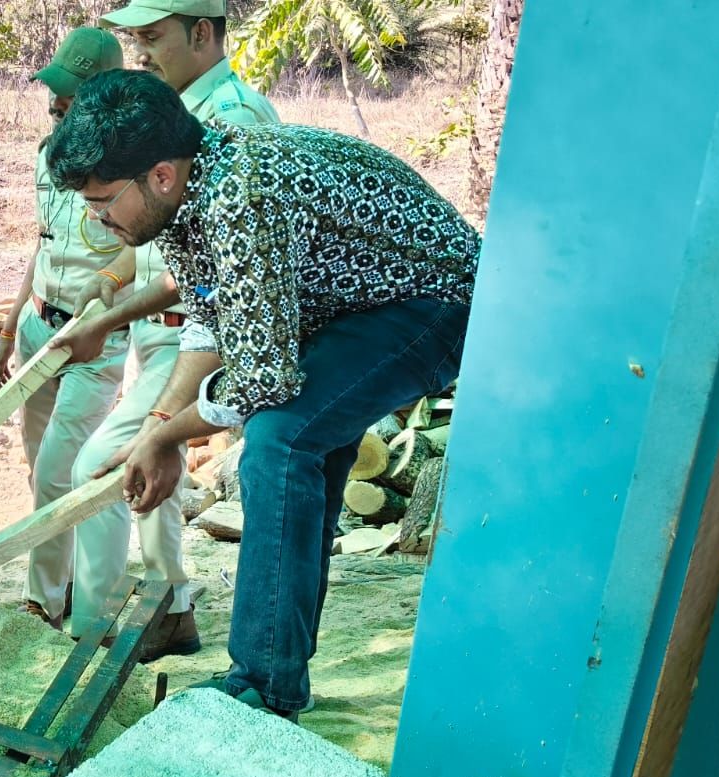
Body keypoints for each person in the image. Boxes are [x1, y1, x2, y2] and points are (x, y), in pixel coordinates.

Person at [45, 70, 479, 719]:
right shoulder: (187, 189)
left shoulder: (241, 193)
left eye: (103, 200)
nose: (97, 218)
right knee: (305, 445)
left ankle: (263, 686)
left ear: (158, 175)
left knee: (279, 440)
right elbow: (209, 320)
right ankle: (280, 669)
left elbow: (261, 381)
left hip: (433, 300)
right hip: (354, 307)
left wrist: (163, 437)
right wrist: (161, 422)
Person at [53, 0, 279, 661]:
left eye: (153, 38)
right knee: (156, 471)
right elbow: (185, 260)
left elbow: (222, 288)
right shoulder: (168, 119)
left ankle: (92, 631)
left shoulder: (229, 122)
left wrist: (167, 424)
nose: (143, 53)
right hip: (178, 323)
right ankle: (172, 608)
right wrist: (118, 285)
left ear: (202, 31)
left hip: (220, 327)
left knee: (106, 465)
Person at [0, 27, 131, 630]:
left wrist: (113, 289)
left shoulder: (130, 164)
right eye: (55, 92)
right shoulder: (50, 156)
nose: (55, 104)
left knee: (59, 472)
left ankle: (46, 601)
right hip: (38, 329)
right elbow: (40, 247)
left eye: (69, 95)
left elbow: (146, 254)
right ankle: (61, 584)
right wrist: (9, 325)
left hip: (94, 338)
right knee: (37, 465)